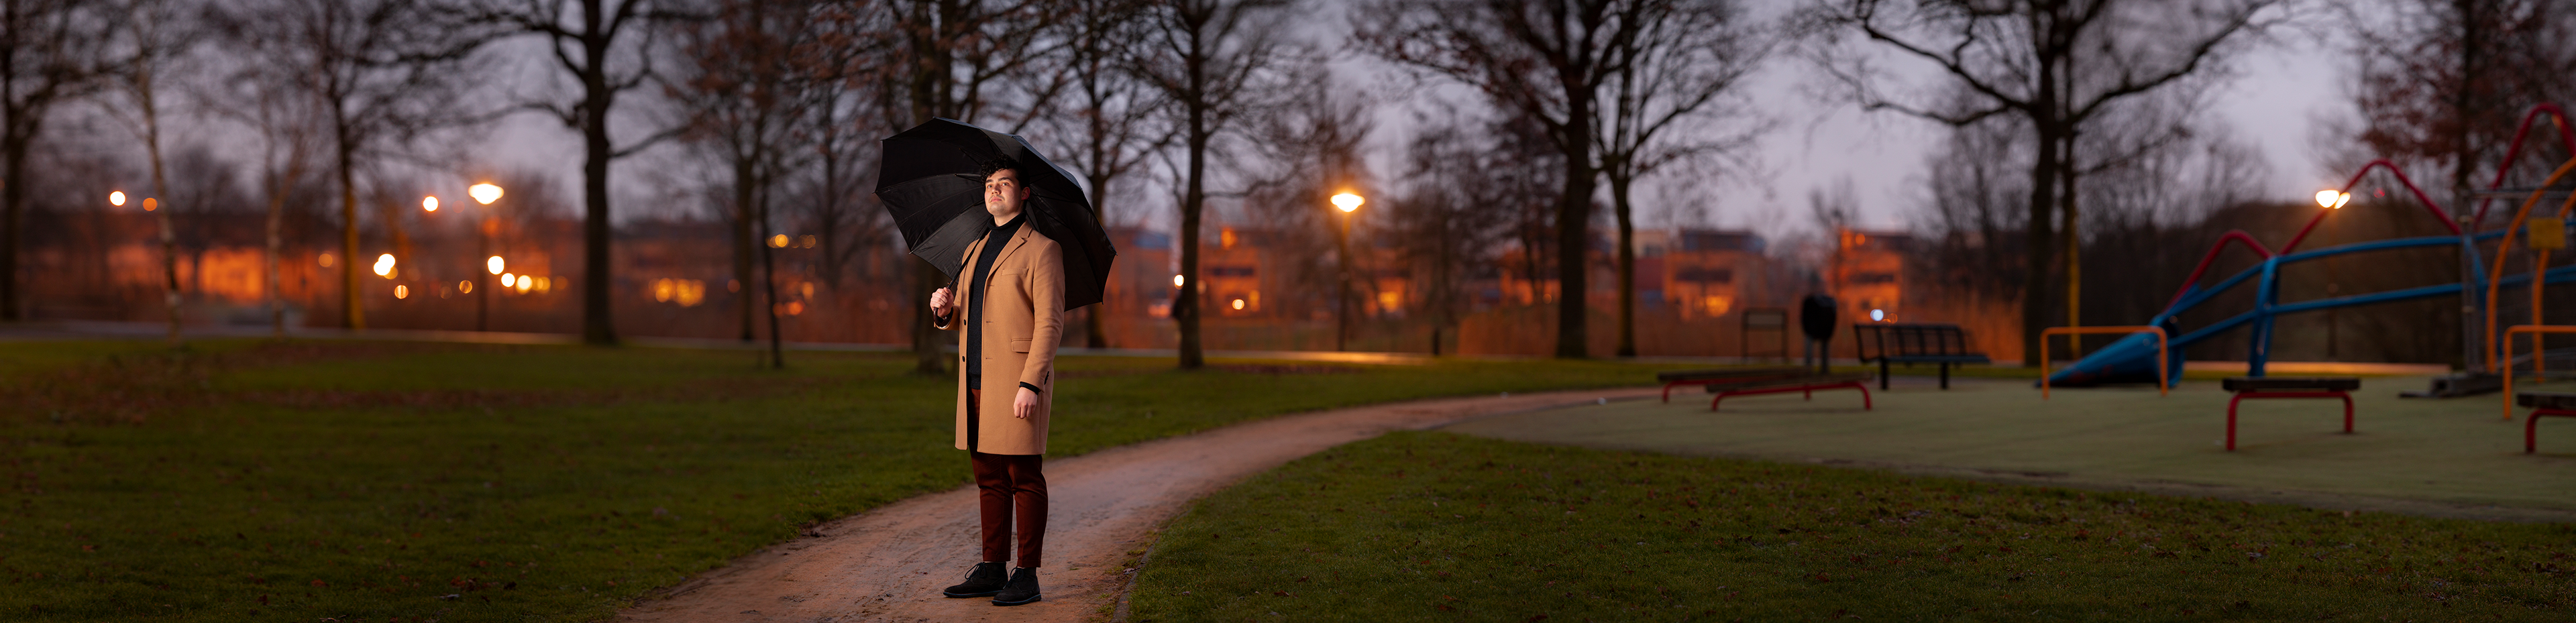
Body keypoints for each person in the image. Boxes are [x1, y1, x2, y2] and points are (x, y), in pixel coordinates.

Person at [927, 157, 1063, 607]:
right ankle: (992, 567)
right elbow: (968, 315)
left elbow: (1050, 324)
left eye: (1004, 183)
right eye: (989, 184)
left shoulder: (1042, 249)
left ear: (1024, 193)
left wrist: (1032, 383)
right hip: (976, 380)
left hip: (1017, 382)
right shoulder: (974, 248)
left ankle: (1027, 574)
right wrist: (944, 310)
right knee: (988, 477)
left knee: (1023, 475)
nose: (994, 190)